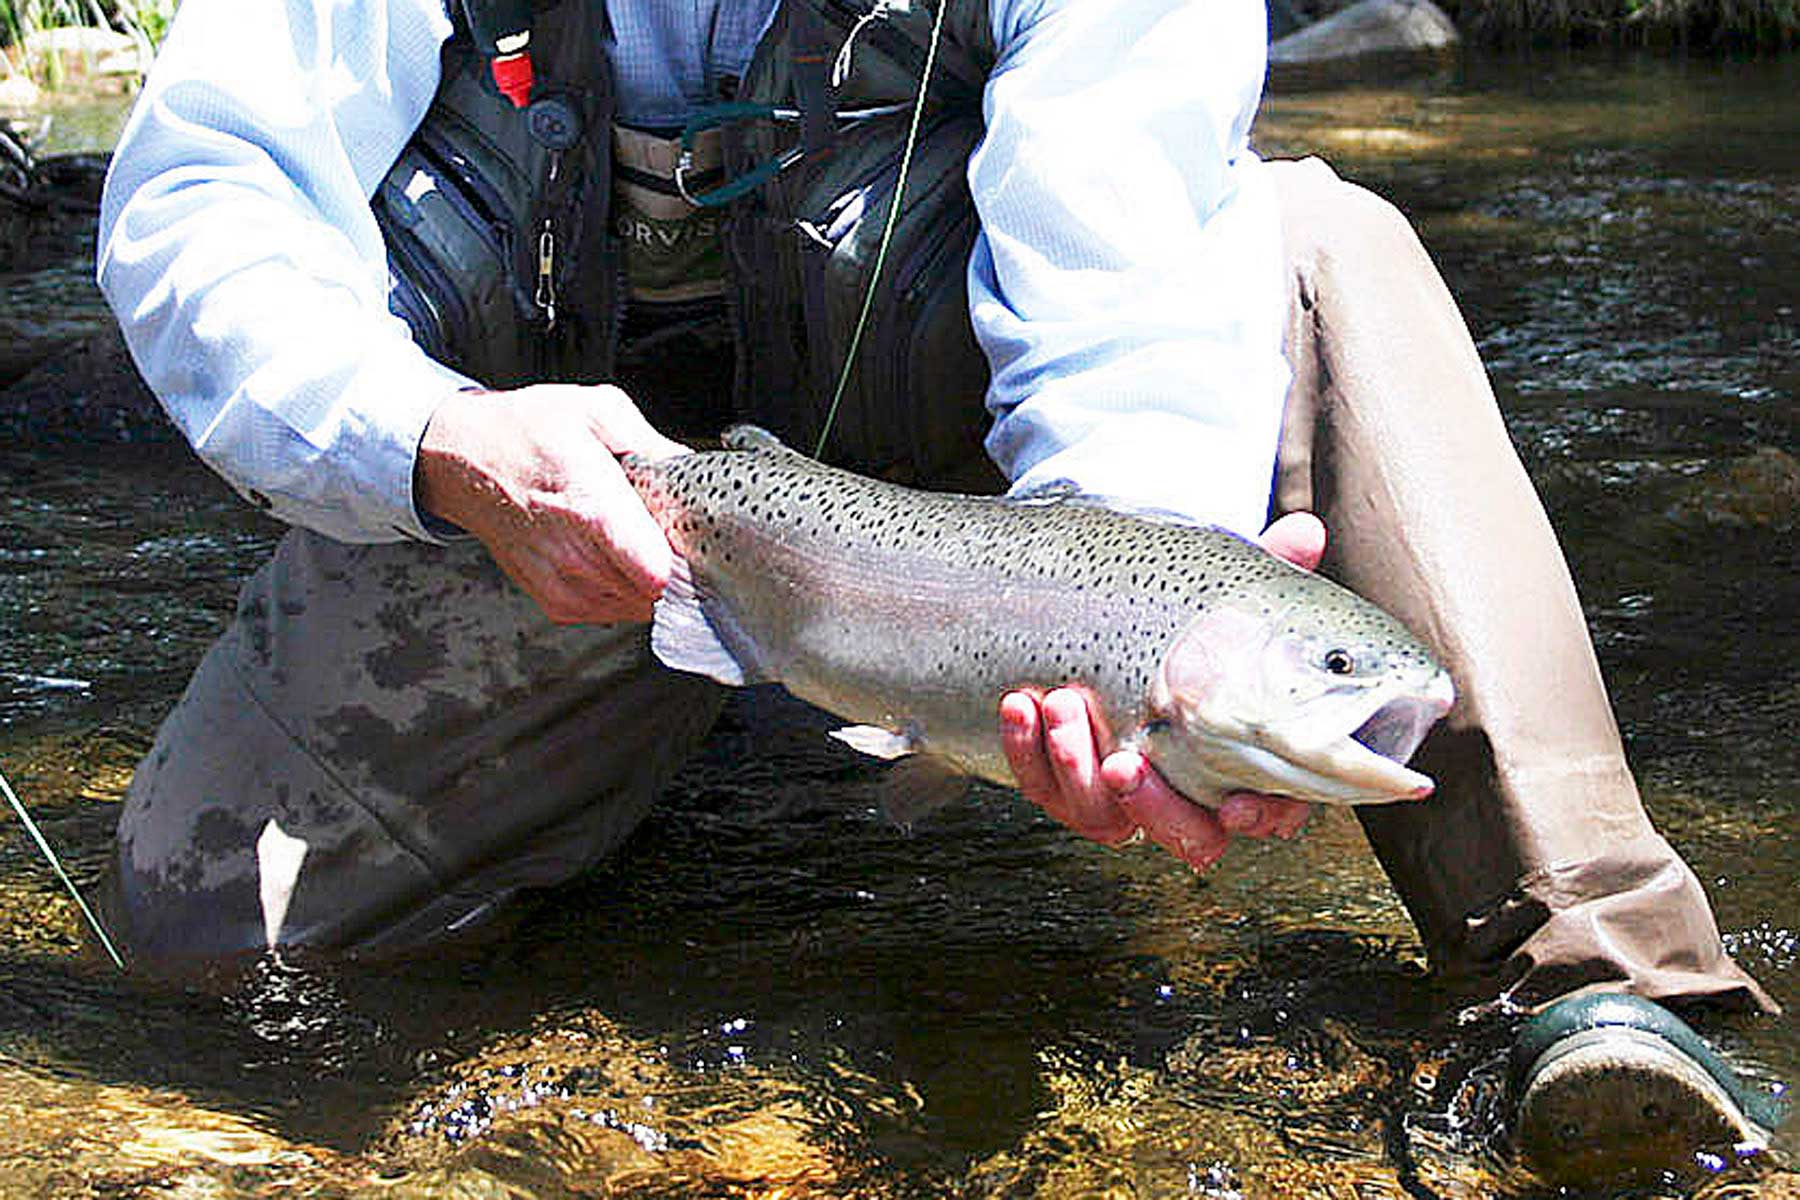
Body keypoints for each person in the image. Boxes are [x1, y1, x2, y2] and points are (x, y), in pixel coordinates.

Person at [95, 0, 1782, 1185]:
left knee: (1320, 243)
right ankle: (705, 762)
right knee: (202, 933)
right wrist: (431, 436)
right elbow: (202, 204)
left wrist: (1138, 639)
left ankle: (1596, 977)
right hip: (552, 486)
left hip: (972, 494)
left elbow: (1128, 284)